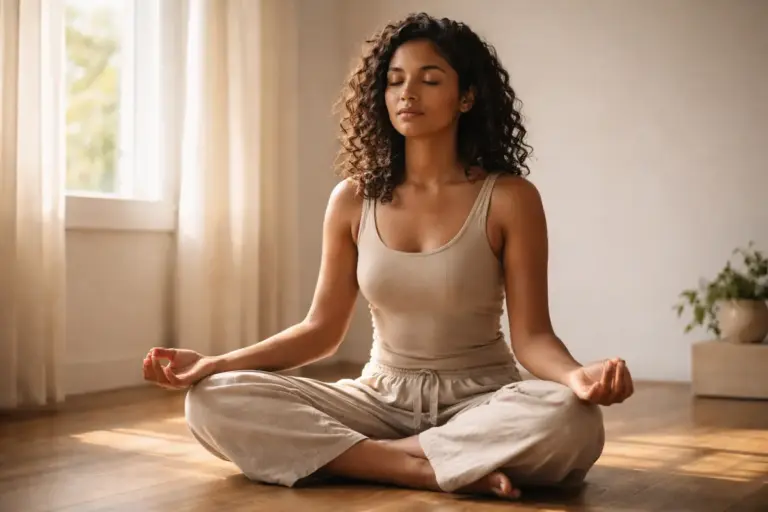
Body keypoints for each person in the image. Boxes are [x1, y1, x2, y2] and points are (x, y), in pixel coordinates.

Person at [142, 12, 634, 501]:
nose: (407, 94)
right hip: (377, 396)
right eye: (395, 81)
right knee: (212, 399)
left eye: (430, 79)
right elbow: (321, 331)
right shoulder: (353, 200)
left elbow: (532, 337)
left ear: (466, 97)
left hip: (481, 397)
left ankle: (368, 456)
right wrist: (215, 363)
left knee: (572, 419)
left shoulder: (509, 198)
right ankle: (420, 466)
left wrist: (576, 377)